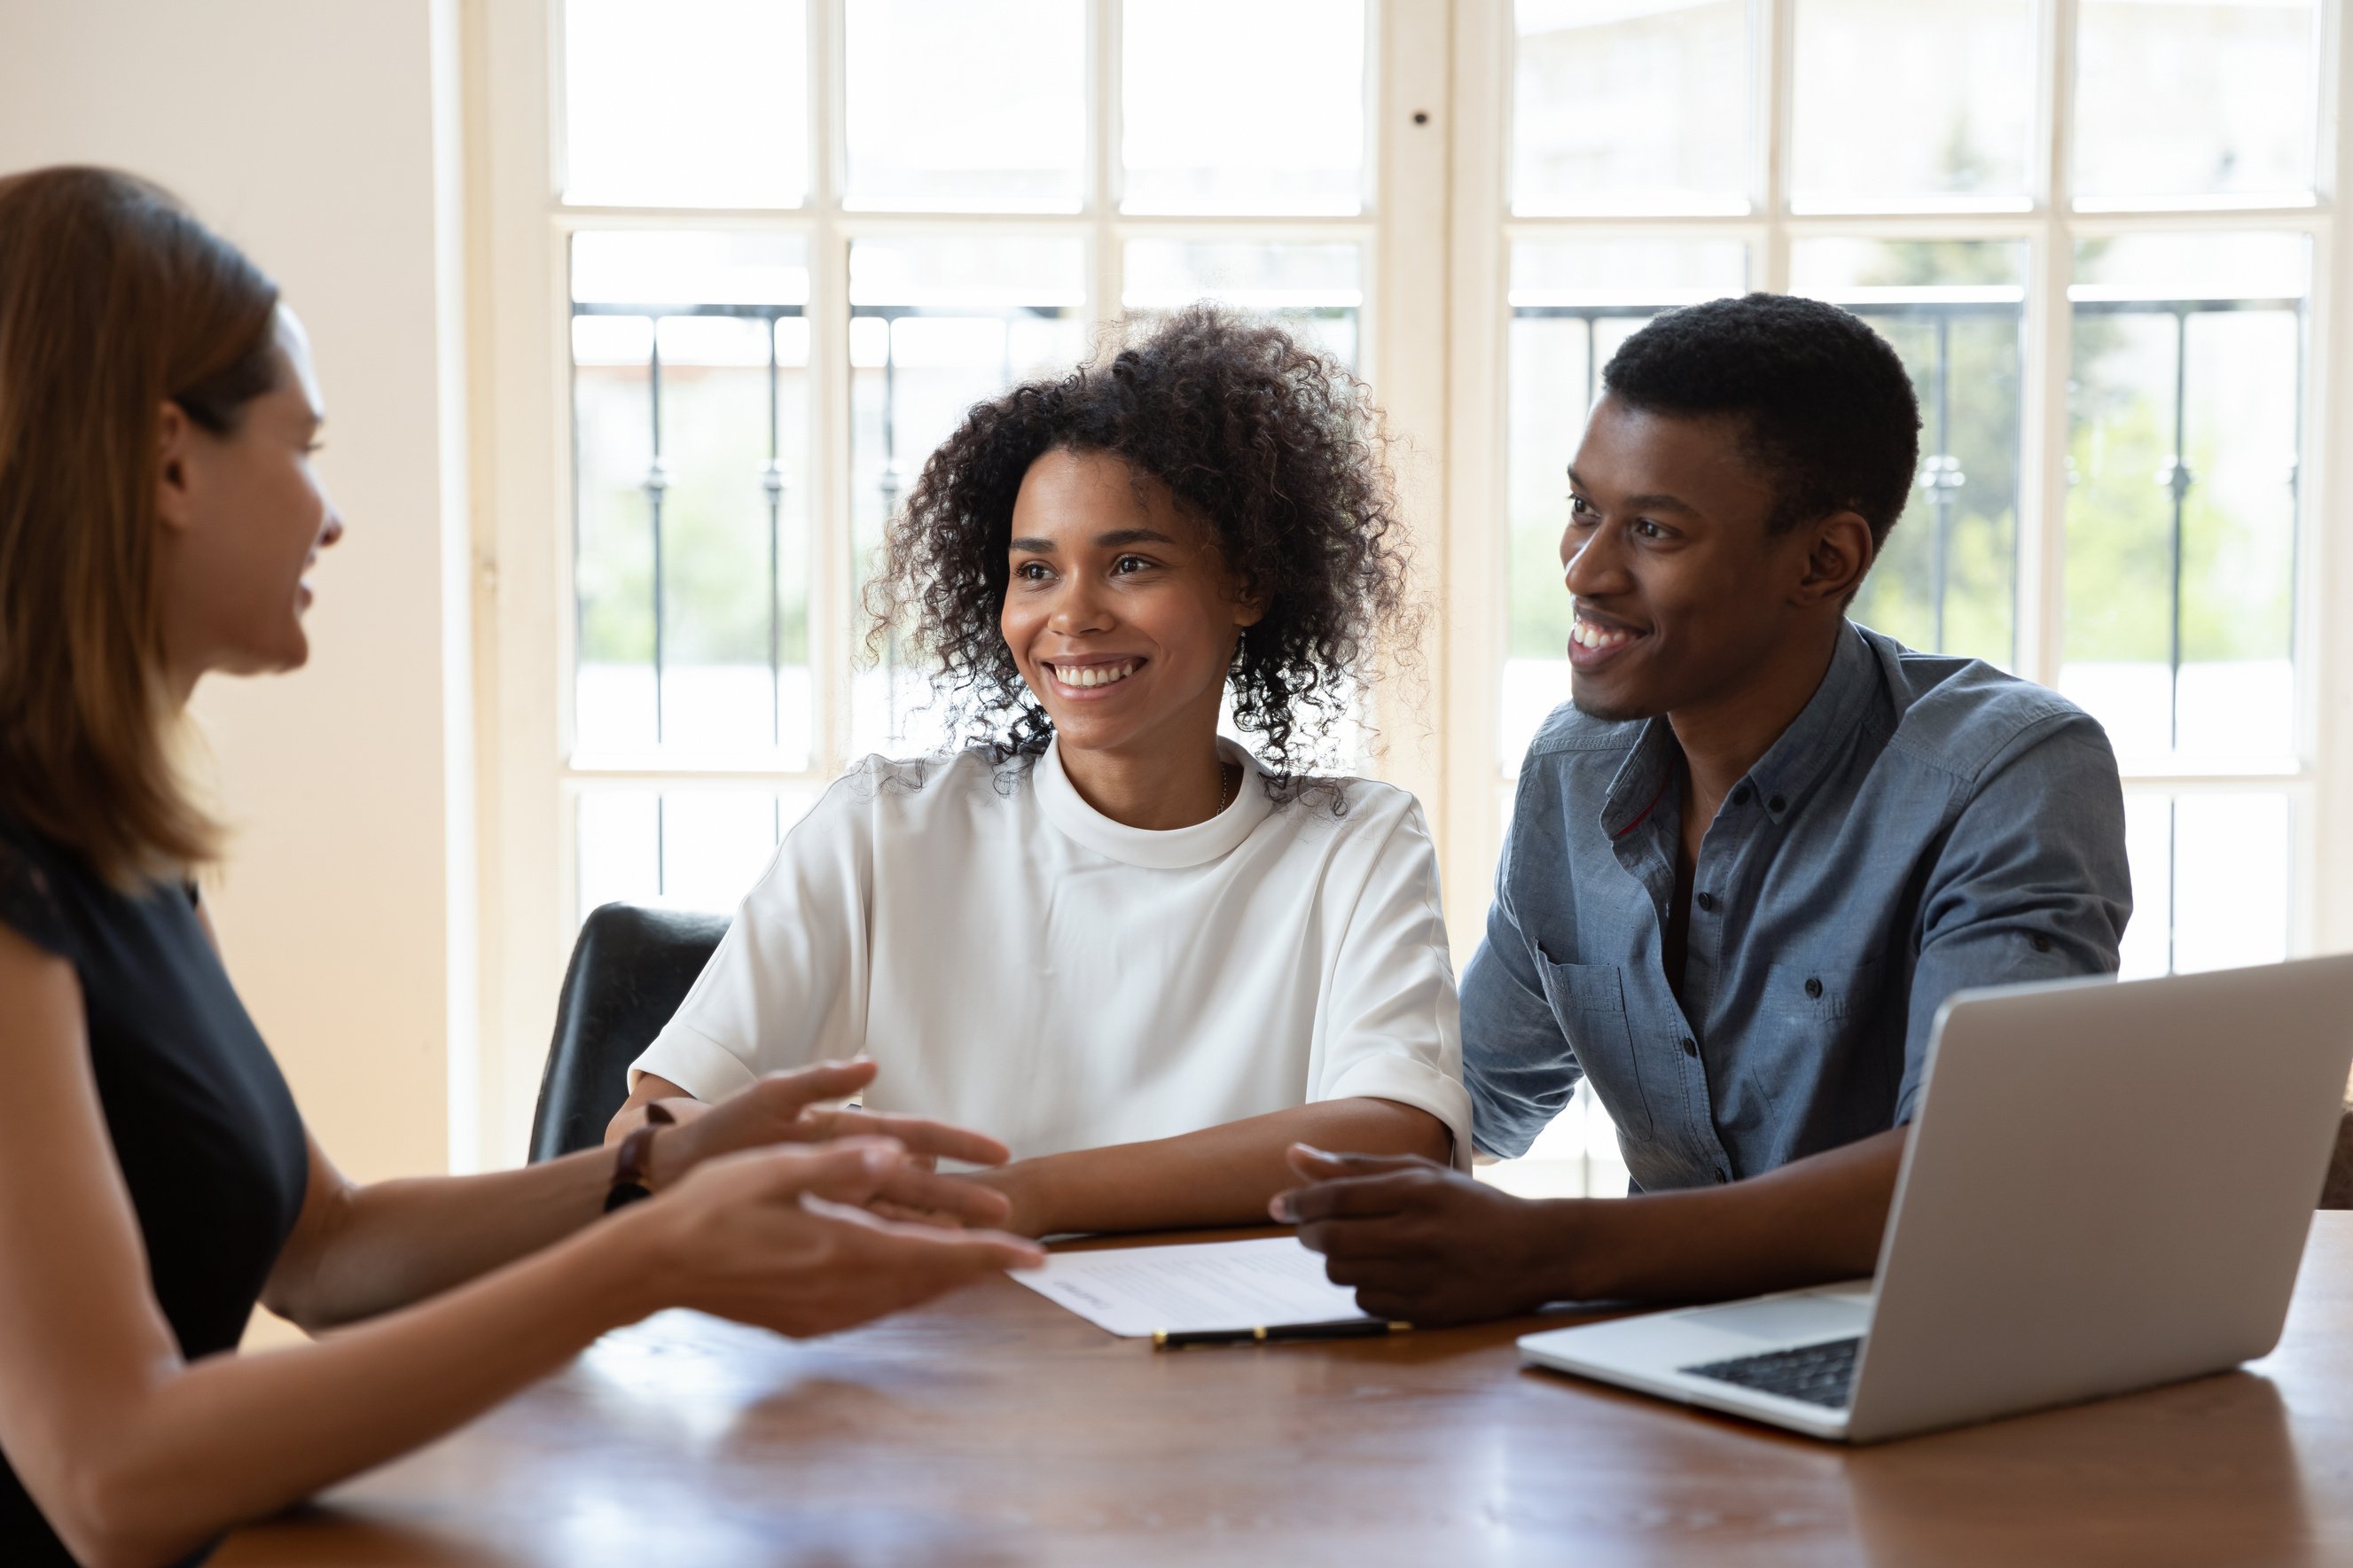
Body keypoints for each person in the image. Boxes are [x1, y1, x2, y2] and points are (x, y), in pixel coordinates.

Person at [0, 166, 1044, 1568]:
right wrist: (647, 1265)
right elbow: (110, 1477)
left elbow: (326, 1250)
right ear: (168, 460)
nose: (329, 514)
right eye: (304, 445)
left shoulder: (103, 851)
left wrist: (657, 1177)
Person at [1274, 293, 2132, 1324]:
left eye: (1651, 530)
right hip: (1657, 1359)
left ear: (1823, 561)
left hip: (1919, 1351)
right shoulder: (1574, 766)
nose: (1583, 570)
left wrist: (1554, 1248)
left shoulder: (2008, 770)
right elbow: (1470, 1093)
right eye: (1583, 508)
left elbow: (1970, 1170)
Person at [609, 307, 1470, 1237]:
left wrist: (1010, 1194)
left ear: (1248, 585)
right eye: (1034, 571)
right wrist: (746, 1154)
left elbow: (1395, 1133)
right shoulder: (884, 827)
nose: (1071, 615)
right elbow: (654, 1119)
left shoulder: (1356, 844)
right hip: (949, 1340)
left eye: (1130, 563)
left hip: (1237, 1364)